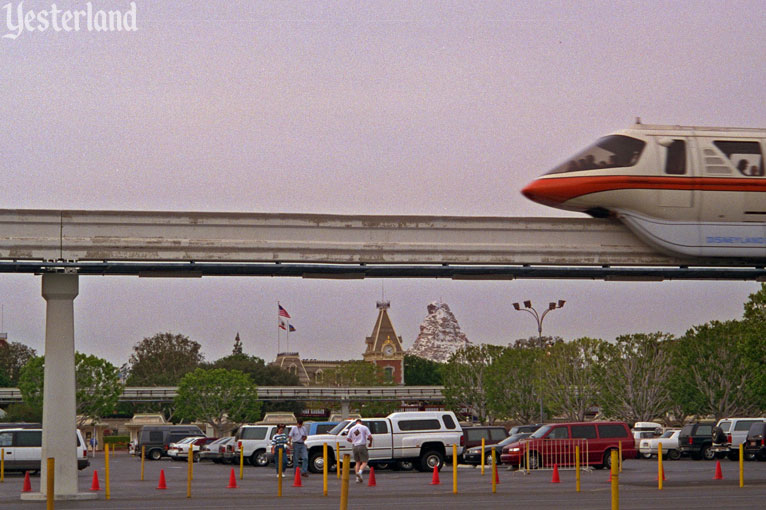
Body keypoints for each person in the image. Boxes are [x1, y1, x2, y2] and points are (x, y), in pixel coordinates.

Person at [346, 419, 373, 483]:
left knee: (357, 462)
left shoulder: (352, 428)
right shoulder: (364, 427)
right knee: (364, 462)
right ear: (361, 422)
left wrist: (353, 441)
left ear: (356, 423)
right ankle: (360, 472)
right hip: (362, 446)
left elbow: (347, 438)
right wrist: (370, 443)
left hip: (354, 446)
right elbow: (370, 436)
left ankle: (357, 478)